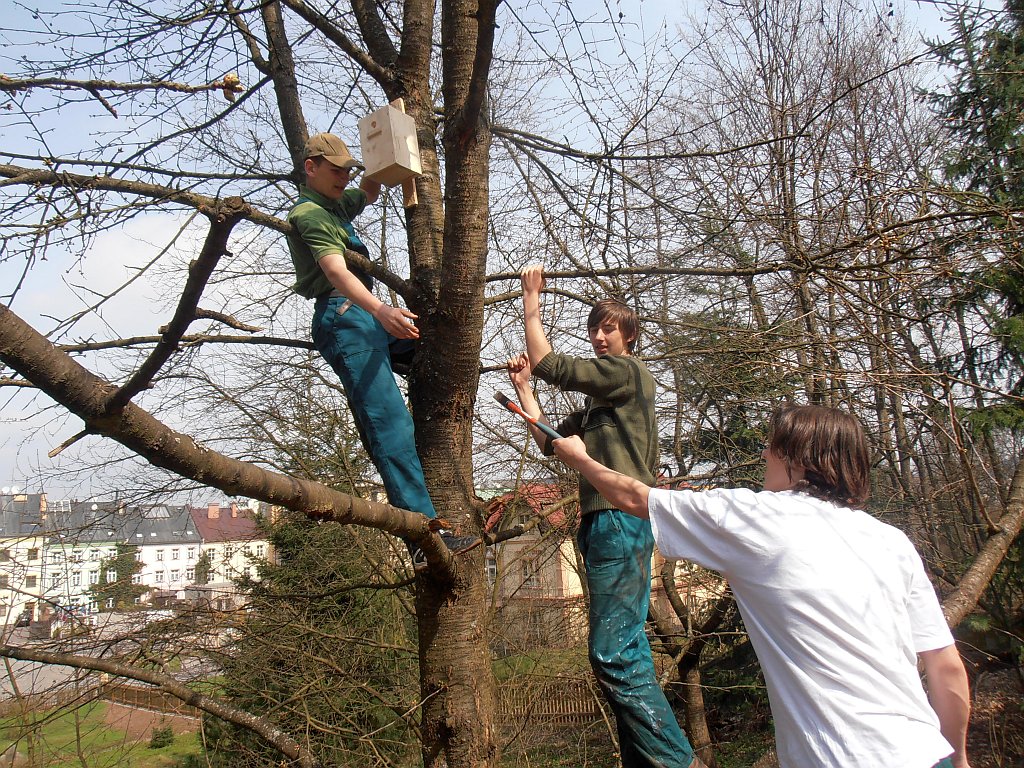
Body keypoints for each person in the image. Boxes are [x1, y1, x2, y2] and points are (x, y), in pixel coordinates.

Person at [551, 403, 972, 768]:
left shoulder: (755, 518)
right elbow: (947, 667)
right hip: (929, 754)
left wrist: (581, 459)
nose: (764, 454)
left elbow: (634, 498)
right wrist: (960, 757)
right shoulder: (891, 542)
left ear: (798, 458)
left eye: (773, 446)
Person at [506, 265, 699, 768]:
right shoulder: (599, 409)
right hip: (601, 525)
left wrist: (531, 299)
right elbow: (549, 441)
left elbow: (551, 363)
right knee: (626, 650)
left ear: (629, 336)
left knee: (612, 655)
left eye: (608, 329)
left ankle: (679, 763)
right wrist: (524, 390)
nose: (598, 336)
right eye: (594, 328)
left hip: (619, 519)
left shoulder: (629, 374)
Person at [286, 132, 472, 565]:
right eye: (336, 171)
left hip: (365, 317)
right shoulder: (309, 214)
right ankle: (423, 539)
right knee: (391, 426)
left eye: (346, 171)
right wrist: (381, 310)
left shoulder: (336, 204)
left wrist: (389, 147)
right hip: (346, 319)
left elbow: (369, 190)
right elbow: (335, 270)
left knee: (436, 349)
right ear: (311, 167)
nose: (343, 178)